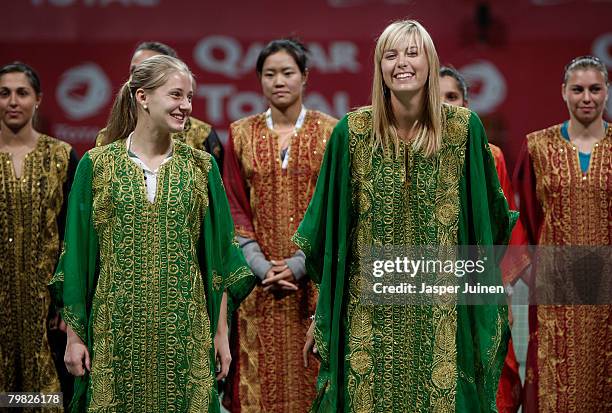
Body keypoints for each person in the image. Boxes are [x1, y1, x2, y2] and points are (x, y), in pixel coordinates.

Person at [296, 20, 515, 412]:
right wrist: (324, 312)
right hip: (369, 322)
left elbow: (488, 229)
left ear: (429, 62)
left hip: (444, 320)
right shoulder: (352, 132)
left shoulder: (464, 131)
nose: (402, 63)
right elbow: (330, 238)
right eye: (390, 55)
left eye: (412, 53)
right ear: (379, 66)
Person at [49, 55, 255, 412]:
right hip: (115, 336)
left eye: (189, 97)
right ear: (142, 97)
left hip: (184, 338)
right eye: (176, 95)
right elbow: (78, 258)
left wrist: (221, 335)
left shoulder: (201, 167)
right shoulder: (97, 165)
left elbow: (220, 260)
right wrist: (75, 338)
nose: (186, 106)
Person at [222, 39, 337, 412]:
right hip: (259, 288)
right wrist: (260, 266)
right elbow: (234, 206)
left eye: (288, 73)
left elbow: (336, 208)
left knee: (315, 383)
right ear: (259, 80)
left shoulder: (332, 133)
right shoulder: (240, 135)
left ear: (305, 77)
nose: (279, 81)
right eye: (269, 74)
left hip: (314, 286)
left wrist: (300, 263)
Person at [514, 55, 611, 412]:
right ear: (564, 93)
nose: (587, 97)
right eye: (578, 89)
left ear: (606, 92)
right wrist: (531, 271)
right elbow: (522, 217)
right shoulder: (538, 147)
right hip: (557, 294)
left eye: (595, 89)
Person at [440, 65, 528, 413]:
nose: (445, 106)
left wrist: (500, 289)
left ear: (466, 102)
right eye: (437, 98)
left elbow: (504, 232)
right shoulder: (412, 156)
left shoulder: (491, 157)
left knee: (487, 379)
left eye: (452, 97)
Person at [0, 62, 78, 403]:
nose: (12, 101)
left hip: (49, 313)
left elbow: (73, 235)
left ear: (39, 99)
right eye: (4, 93)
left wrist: (69, 304)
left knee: (45, 399)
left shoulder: (61, 156)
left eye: (22, 93)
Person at [95, 41, 224, 171]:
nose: (139, 76)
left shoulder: (202, 138)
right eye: (135, 70)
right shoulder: (105, 140)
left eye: (188, 97)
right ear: (142, 96)